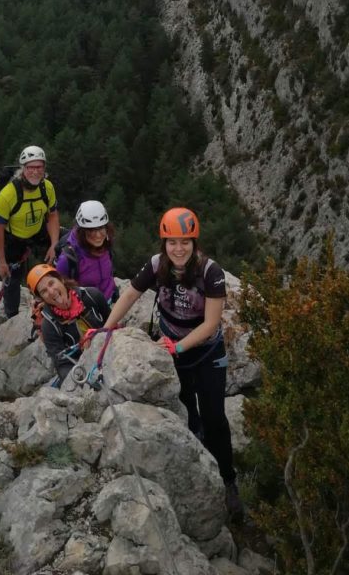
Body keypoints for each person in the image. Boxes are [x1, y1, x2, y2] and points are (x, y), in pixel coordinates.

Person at [97, 207, 242, 514]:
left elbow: (211, 324)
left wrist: (177, 348)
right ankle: (197, 470)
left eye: (185, 242)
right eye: (172, 242)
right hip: (173, 350)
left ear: (194, 242)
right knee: (187, 412)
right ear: (164, 243)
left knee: (215, 418)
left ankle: (228, 481)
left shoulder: (210, 272)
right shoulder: (156, 265)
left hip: (204, 353)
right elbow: (130, 295)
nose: (178, 248)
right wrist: (106, 328)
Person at [0, 145, 60, 318]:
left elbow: (52, 216)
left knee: (67, 247)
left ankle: (63, 298)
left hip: (38, 232)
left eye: (39, 167)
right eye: (31, 167)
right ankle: (12, 316)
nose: (35, 172)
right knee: (12, 278)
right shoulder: (8, 194)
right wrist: (1, 262)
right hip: (14, 238)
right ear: (23, 169)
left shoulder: (47, 187)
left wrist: (54, 244)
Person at [27, 263, 111, 383]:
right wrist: (81, 380)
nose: (51, 292)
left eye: (51, 283)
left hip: (110, 350)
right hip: (84, 368)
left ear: (61, 280)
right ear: (42, 298)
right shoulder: (49, 326)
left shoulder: (91, 296)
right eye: (44, 291)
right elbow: (62, 364)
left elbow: (113, 322)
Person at [55, 199, 119, 303]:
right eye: (91, 230)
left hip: (109, 301)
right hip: (87, 311)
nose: (98, 235)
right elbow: (60, 289)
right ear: (81, 231)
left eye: (101, 228)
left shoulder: (106, 244)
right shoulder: (68, 258)